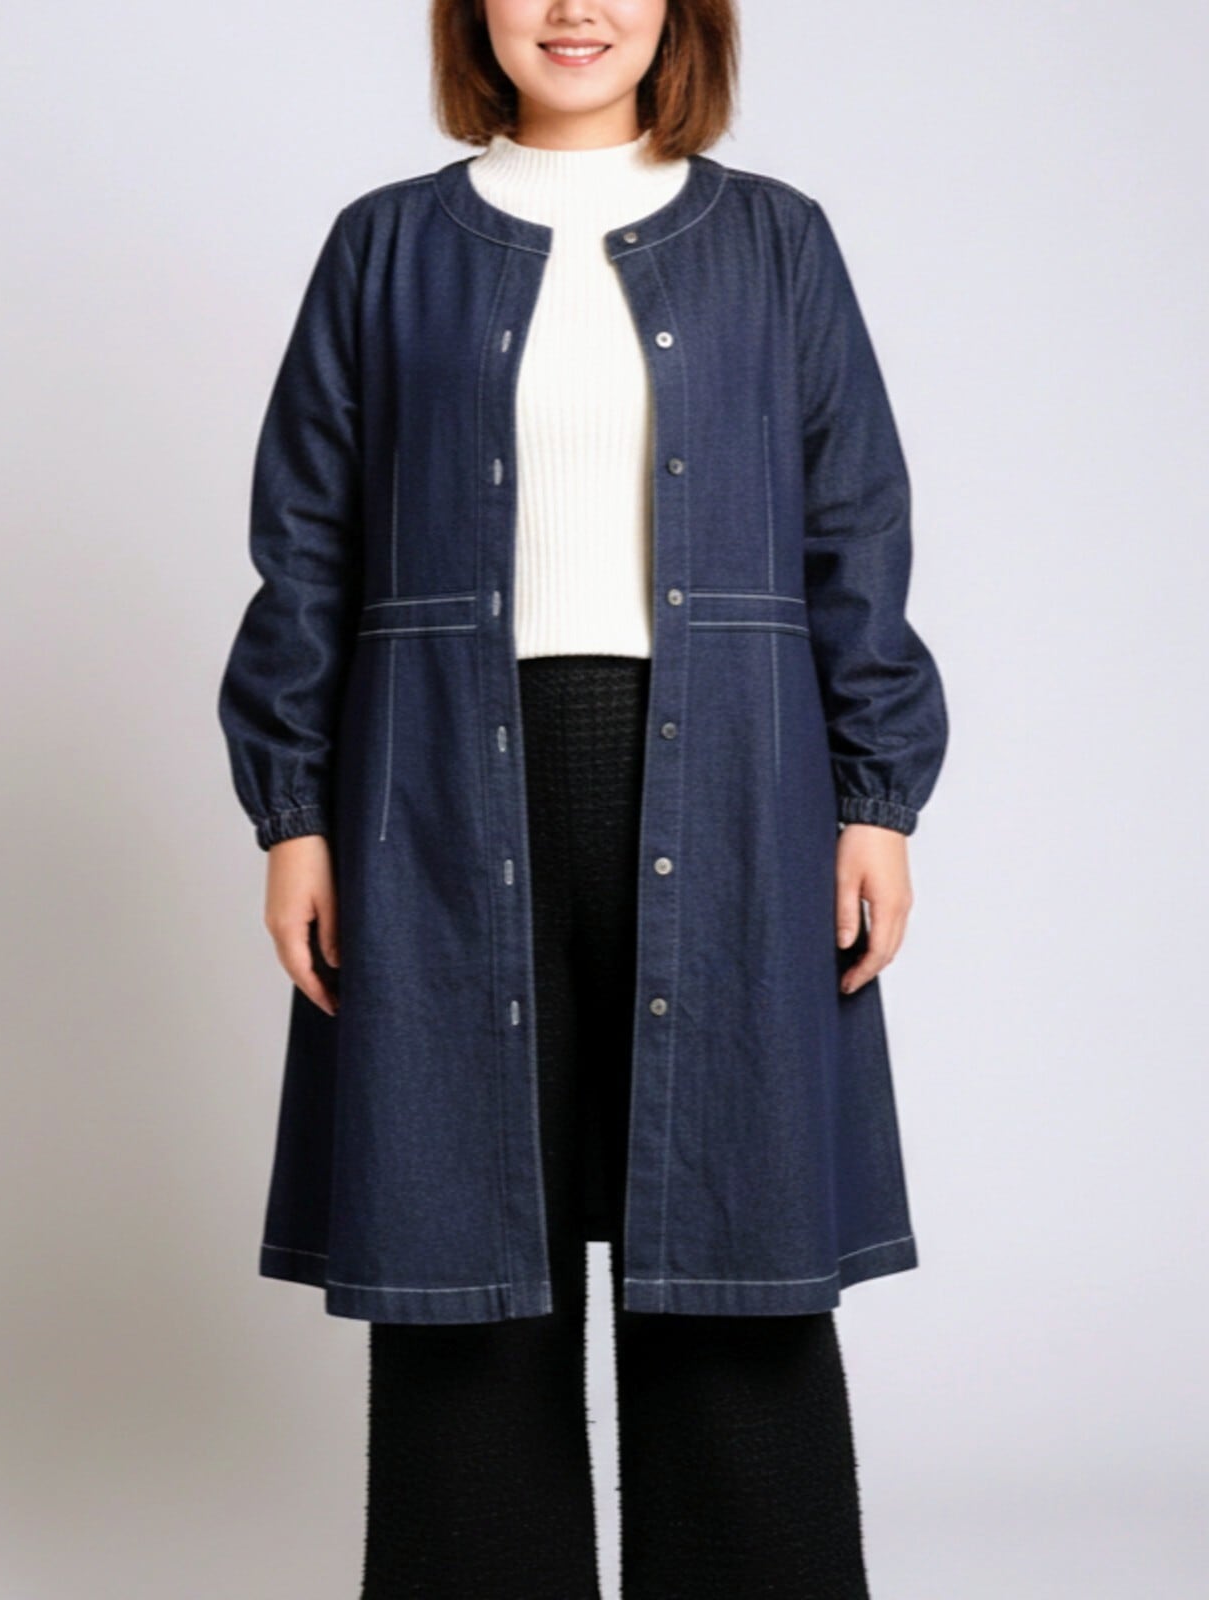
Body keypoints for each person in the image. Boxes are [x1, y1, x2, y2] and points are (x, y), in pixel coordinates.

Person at [217, 1, 948, 1594]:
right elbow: (307, 544)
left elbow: (856, 527)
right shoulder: (384, 248)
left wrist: (879, 801)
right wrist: (295, 816)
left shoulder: (776, 243)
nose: (573, 8)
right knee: (466, 1259)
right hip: (435, 804)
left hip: (738, 796)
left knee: (733, 1250)